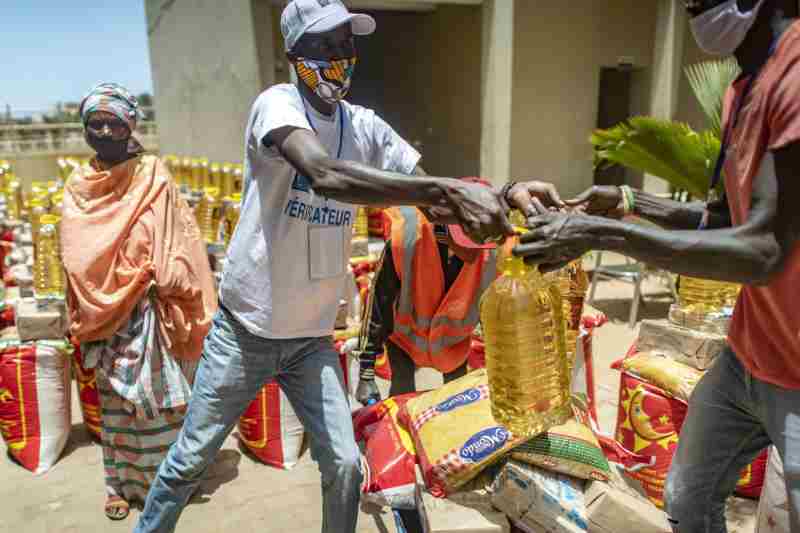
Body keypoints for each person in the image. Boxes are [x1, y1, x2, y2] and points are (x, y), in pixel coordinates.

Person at [132, 1, 561, 532]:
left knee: (342, 464)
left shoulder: (365, 126)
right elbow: (327, 174)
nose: (340, 56)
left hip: (311, 339)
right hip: (247, 333)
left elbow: (436, 199)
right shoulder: (277, 105)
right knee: (189, 462)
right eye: (325, 45)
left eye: (346, 44)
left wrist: (504, 192)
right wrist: (443, 189)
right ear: (295, 54)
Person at [515, 1, 800, 531]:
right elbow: (723, 217)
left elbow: (764, 250)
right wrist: (628, 202)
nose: (692, 7)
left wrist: (603, 235)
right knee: (688, 497)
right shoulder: (747, 85)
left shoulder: (795, 78)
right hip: (748, 357)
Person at [60, 83, 217, 521]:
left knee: (161, 404)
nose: (105, 129)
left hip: (151, 308)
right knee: (115, 410)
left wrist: (165, 279)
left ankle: (169, 484)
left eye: (114, 121)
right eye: (96, 122)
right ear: (85, 129)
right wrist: (95, 298)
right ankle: (120, 486)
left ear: (131, 124)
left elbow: (179, 237)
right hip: (105, 316)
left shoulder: (153, 175)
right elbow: (75, 250)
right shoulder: (79, 185)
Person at [355, 205, 498, 406]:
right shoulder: (405, 242)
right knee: (403, 402)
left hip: (453, 345)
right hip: (405, 340)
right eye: (469, 244)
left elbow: (493, 317)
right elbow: (379, 306)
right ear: (447, 234)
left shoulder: (489, 254)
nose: (475, 252)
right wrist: (366, 373)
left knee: (457, 408)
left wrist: (499, 369)